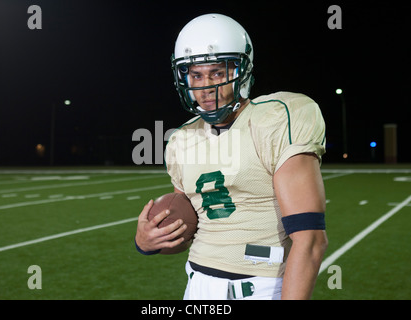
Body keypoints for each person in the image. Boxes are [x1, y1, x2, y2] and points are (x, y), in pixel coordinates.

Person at [135, 13, 328, 300]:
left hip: (263, 284)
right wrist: (146, 240)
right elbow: (188, 224)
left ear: (241, 71)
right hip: (197, 285)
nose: (206, 87)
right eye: (196, 75)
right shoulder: (180, 139)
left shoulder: (278, 118)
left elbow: (310, 240)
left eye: (218, 72)